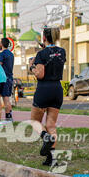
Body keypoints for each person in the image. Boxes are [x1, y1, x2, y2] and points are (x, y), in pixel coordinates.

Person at [29, 27, 66, 166]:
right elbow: (54, 55)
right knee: (51, 124)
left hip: (44, 89)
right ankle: (52, 159)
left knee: (34, 122)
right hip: (57, 89)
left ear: (44, 37)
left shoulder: (41, 54)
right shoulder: (62, 51)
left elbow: (40, 74)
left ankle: (46, 138)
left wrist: (31, 66)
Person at [0, 38, 14, 123]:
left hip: (4, 78)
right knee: (8, 98)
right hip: (11, 77)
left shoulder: (2, 54)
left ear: (2, 44)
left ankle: (8, 118)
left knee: (5, 98)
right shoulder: (11, 54)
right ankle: (10, 116)